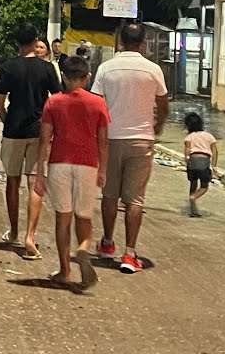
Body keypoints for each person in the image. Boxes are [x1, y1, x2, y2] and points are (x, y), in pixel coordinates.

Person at [90, 22, 169, 273]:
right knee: (135, 199)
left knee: (110, 195)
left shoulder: (106, 68)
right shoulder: (153, 69)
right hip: (141, 139)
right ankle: (130, 253)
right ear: (143, 43)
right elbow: (164, 103)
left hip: (111, 139)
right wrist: (158, 125)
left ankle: (107, 242)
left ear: (120, 42)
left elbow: (96, 104)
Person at [32, 56, 108, 290]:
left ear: (63, 77)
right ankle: (83, 248)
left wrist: (40, 172)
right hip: (87, 164)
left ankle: (65, 270)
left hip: (59, 164)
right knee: (84, 216)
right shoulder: (98, 103)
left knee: (62, 218)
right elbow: (103, 141)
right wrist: (103, 169)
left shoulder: (53, 102)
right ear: (88, 77)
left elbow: (45, 140)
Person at [0, 22, 62, 260]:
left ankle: (13, 231)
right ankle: (30, 237)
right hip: (39, 131)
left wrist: (8, 122)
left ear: (17, 42)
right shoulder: (47, 69)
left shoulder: (8, 67)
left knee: (12, 182)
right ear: (35, 42)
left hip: (13, 130)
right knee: (35, 183)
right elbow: (57, 100)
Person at [182, 112, 218, 217]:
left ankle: (192, 209)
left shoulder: (189, 137)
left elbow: (187, 151)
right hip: (204, 160)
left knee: (193, 182)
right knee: (204, 186)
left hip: (193, 160)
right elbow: (215, 151)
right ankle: (194, 198)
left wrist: (187, 162)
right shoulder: (209, 136)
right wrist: (214, 166)